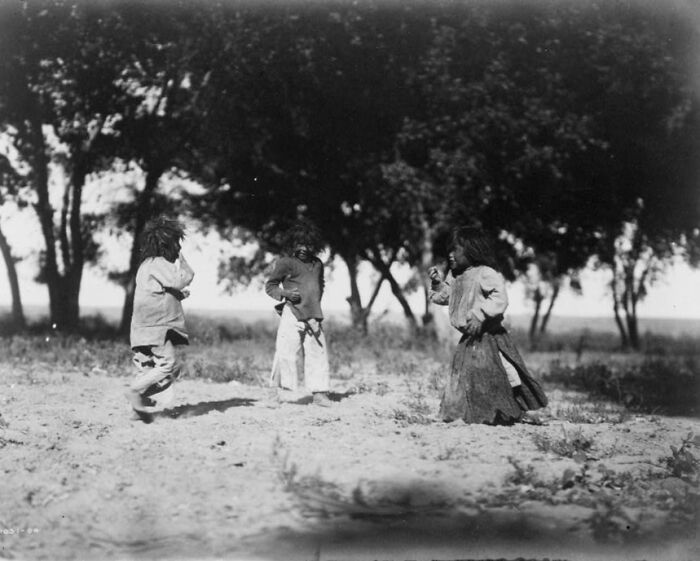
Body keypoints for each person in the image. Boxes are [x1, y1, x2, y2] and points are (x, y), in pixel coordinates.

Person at [428, 226, 547, 424]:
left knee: (504, 373)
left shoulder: (485, 273)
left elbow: (500, 297)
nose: (450, 254)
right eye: (449, 250)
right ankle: (468, 413)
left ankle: (515, 410)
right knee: (465, 378)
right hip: (469, 340)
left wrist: (480, 314)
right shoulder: (455, 277)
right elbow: (444, 298)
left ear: (472, 250)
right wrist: (437, 284)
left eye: (455, 249)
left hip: (489, 338)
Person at [125, 217, 195, 421]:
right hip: (157, 329)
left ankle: (136, 410)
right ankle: (134, 391)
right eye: (177, 244)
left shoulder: (146, 265)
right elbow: (180, 279)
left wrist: (177, 296)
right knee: (168, 366)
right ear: (167, 245)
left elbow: (156, 293)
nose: (178, 249)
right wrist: (184, 264)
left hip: (141, 329)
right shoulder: (159, 263)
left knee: (146, 368)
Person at [265, 220, 332, 407]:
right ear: (292, 244)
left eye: (308, 244)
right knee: (284, 353)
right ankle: (274, 393)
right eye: (299, 244)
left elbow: (321, 286)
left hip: (314, 316)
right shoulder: (285, 263)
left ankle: (319, 394)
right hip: (292, 314)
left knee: (318, 353)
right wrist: (285, 294)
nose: (303, 248)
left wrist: (315, 310)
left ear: (315, 246)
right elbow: (270, 286)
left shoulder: (318, 264)